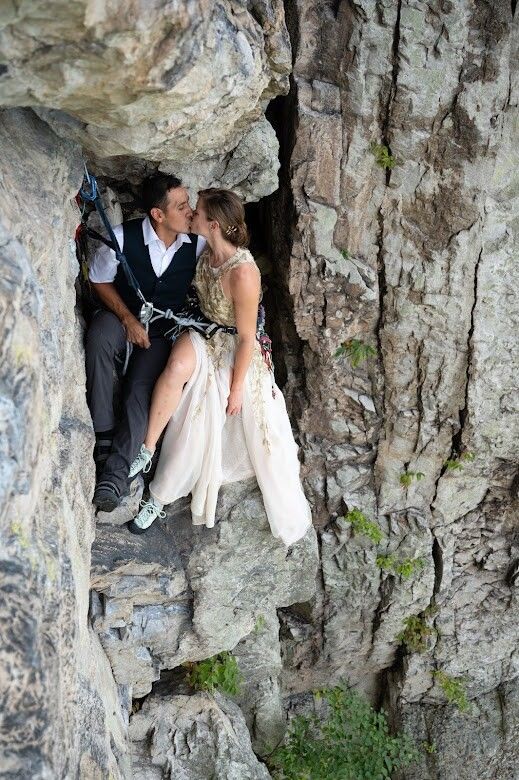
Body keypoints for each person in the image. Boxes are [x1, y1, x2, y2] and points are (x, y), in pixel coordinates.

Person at [126, 188, 312, 547]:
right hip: (201, 333)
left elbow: (246, 339)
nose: (189, 216)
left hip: (234, 347)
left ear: (212, 224)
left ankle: (159, 497)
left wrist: (238, 387)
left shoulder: (243, 273)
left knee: (203, 412)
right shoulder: (203, 250)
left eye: (195, 213)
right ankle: (146, 449)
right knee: (178, 365)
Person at [85, 174, 206, 511]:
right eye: (181, 207)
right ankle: (103, 432)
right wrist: (126, 318)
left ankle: (116, 474)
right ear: (158, 214)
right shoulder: (123, 238)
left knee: (141, 389)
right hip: (120, 317)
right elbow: (98, 280)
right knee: (98, 339)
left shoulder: (196, 245)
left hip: (161, 333)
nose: (190, 211)